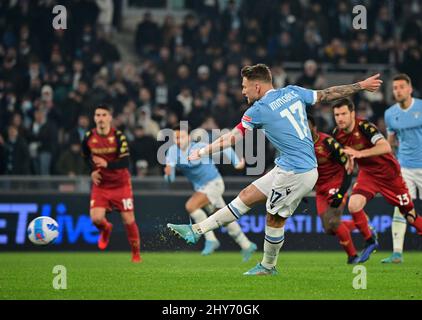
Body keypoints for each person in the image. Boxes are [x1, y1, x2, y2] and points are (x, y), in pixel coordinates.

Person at [167, 63, 383, 275]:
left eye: (245, 86)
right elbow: (327, 93)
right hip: (288, 165)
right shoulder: (293, 91)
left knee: (274, 218)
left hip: (298, 172)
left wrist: (202, 152)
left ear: (257, 87)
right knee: (246, 195)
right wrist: (361, 85)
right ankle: (196, 230)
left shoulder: (258, 110)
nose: (243, 91)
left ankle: (268, 266)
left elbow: (232, 138)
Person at [332, 98, 422, 260]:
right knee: (354, 205)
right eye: (337, 115)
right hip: (368, 175)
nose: (340, 118)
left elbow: (386, 146)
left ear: (352, 114)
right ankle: (370, 240)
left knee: (410, 216)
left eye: (344, 113)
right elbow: (341, 157)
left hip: (390, 175)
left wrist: (360, 154)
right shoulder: (336, 134)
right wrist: (347, 162)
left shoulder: (365, 127)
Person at [164, 124, 257, 260]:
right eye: (175, 138)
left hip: (214, 184)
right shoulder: (172, 152)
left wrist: (237, 163)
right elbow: (170, 179)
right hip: (201, 189)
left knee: (191, 206)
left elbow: (225, 148)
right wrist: (167, 175)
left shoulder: (199, 147)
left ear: (188, 137)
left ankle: (210, 239)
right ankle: (246, 245)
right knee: (223, 217)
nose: (178, 140)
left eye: (181, 137)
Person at [81, 105, 142, 263]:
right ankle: (106, 229)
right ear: (94, 118)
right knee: (96, 219)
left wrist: (107, 164)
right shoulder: (88, 137)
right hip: (101, 184)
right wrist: (92, 171)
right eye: (97, 115)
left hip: (120, 184)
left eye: (103, 115)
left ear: (109, 118)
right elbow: (85, 157)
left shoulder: (118, 136)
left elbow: (125, 162)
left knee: (128, 219)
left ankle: (136, 254)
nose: (100, 118)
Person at [382, 74, 422, 264]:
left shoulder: (421, 107)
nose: (397, 91)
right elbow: (390, 143)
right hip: (404, 167)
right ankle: (397, 253)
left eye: (401, 87)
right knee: (401, 208)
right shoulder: (390, 114)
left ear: (410, 89)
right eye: (395, 88)